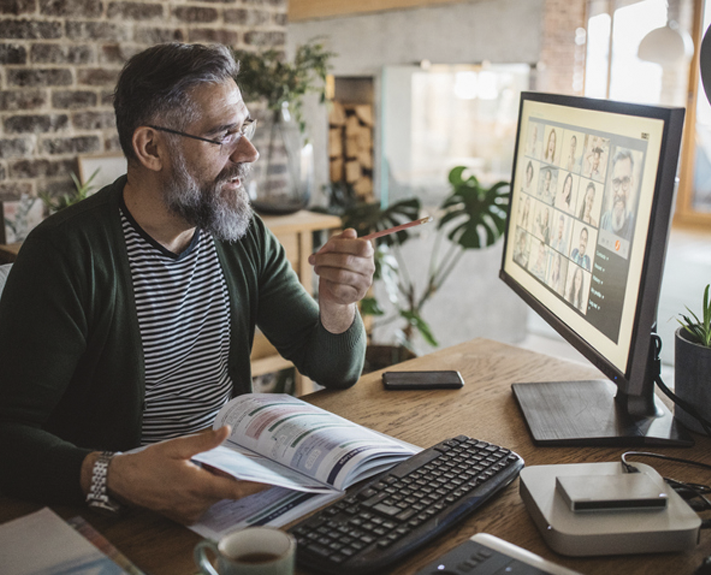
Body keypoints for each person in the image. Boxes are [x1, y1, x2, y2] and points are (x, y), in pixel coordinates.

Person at [0, 43, 375, 524]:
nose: (250, 152)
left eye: (246, 127)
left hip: (229, 482)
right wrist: (114, 476)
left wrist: (338, 304)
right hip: (119, 510)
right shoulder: (65, 254)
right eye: (223, 135)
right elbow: (8, 432)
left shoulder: (239, 231)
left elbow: (332, 368)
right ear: (151, 148)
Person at [600, 149, 636, 241]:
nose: (620, 192)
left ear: (631, 183)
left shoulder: (635, 229)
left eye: (625, 181)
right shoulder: (603, 221)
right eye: (616, 182)